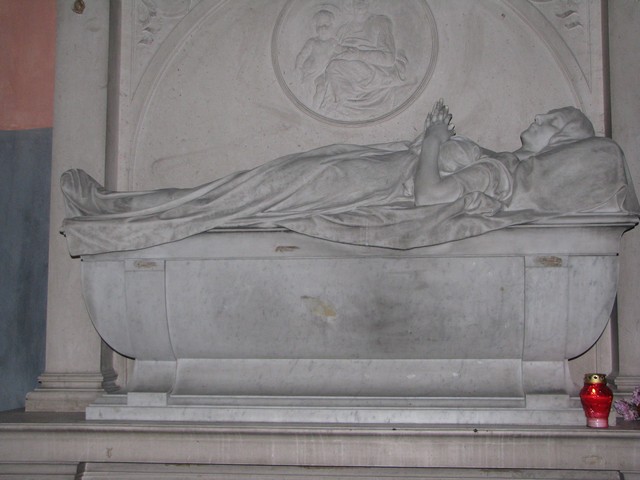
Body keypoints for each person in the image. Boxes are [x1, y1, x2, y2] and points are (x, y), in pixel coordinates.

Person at [60, 100, 636, 256]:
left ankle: (118, 212)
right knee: (241, 188)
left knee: (244, 194)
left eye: (549, 122)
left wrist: (435, 138)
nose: (535, 121)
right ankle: (119, 208)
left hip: (368, 183)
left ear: (563, 141)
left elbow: (428, 194)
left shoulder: (502, 174)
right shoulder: (501, 164)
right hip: (368, 170)